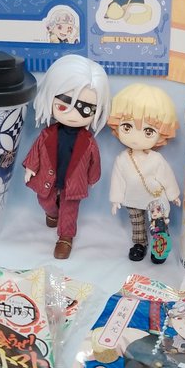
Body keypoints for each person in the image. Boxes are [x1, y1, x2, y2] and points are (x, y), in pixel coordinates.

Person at [23, 55, 111, 259]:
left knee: (70, 210)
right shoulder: (47, 134)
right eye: (64, 105)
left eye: (86, 109)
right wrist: (30, 167)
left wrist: (93, 178)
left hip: (74, 182)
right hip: (49, 178)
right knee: (44, 200)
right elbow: (36, 150)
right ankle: (52, 212)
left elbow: (94, 160)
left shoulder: (88, 141)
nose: (73, 114)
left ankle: (65, 238)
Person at [107, 84, 180, 263]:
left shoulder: (156, 159)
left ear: (161, 134)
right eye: (127, 127)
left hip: (154, 198)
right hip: (132, 197)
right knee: (137, 223)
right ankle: (140, 244)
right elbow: (118, 180)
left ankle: (159, 246)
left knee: (158, 224)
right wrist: (116, 199)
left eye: (148, 131)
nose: (135, 137)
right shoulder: (122, 159)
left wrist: (173, 195)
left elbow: (167, 177)